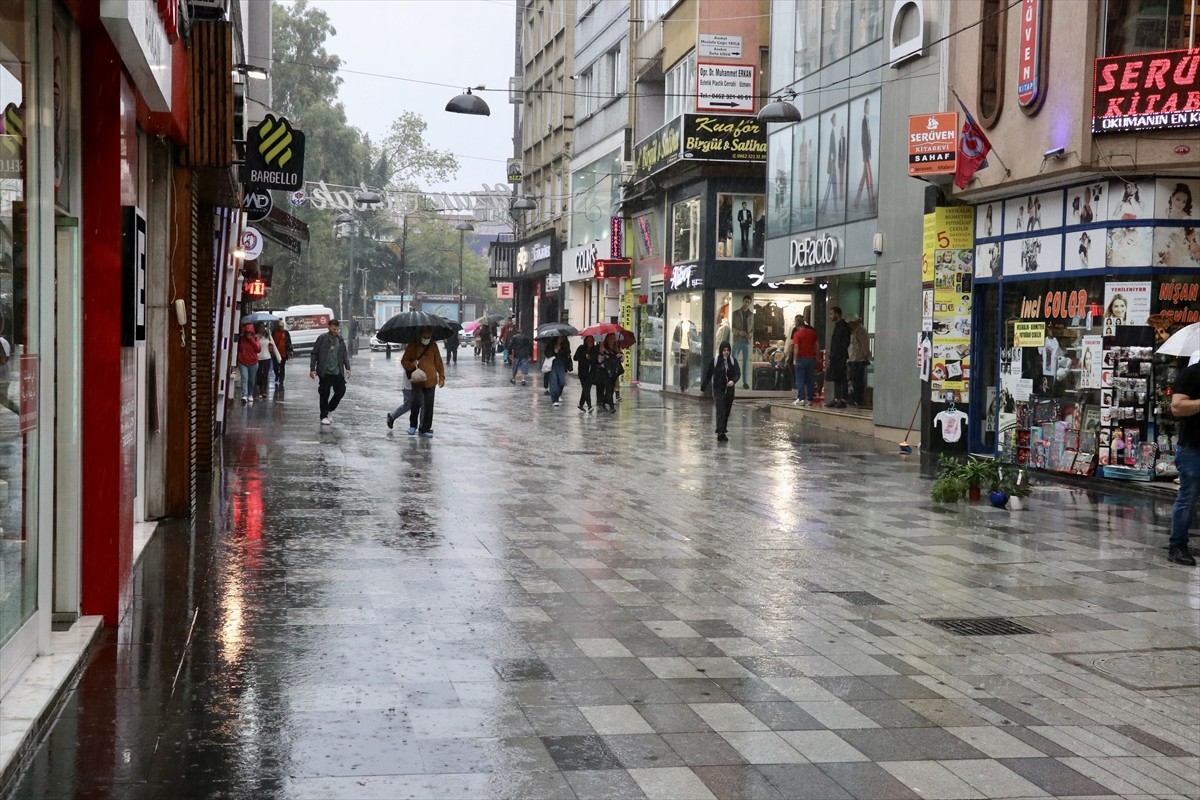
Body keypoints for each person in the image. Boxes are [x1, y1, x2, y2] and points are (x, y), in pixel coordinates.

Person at [1167, 361, 1200, 565]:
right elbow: (1177, 407)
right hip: (1193, 447)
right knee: (1188, 497)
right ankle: (1177, 545)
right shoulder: (1191, 374)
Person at [401, 326, 445, 437]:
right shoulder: (413, 345)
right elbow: (404, 361)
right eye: (424, 336)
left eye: (428, 337)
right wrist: (413, 364)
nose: (426, 338)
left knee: (429, 405)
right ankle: (413, 425)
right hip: (418, 379)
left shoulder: (434, 346)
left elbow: (438, 362)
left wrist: (441, 377)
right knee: (416, 403)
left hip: (431, 380)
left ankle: (425, 429)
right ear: (420, 335)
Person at [308, 318, 351, 425]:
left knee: (341, 390)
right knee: (324, 393)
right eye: (333, 329)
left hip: (337, 371)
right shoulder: (322, 338)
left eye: (337, 329)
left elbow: (344, 354)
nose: (335, 331)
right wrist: (312, 369)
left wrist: (348, 368)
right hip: (325, 371)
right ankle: (323, 416)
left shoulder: (340, 339)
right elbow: (314, 354)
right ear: (329, 327)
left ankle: (329, 409)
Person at [701, 341, 740, 442]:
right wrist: (703, 388)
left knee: (726, 410)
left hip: (730, 390)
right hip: (718, 389)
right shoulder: (715, 361)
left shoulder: (733, 361)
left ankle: (722, 429)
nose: (726, 352)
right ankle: (720, 433)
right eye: (724, 350)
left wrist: (733, 381)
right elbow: (708, 375)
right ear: (721, 351)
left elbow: (737, 373)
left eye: (728, 350)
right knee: (720, 409)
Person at [826, 306, 850, 408]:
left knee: (842, 377)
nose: (830, 316)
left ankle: (843, 399)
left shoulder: (844, 326)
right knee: (836, 377)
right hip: (835, 355)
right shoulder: (838, 326)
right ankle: (836, 398)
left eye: (832, 314)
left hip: (840, 355)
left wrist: (840, 354)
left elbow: (844, 342)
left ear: (837, 314)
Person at [791, 317, 819, 406]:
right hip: (811, 359)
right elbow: (817, 345)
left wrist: (794, 360)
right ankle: (810, 399)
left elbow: (796, 347)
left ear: (796, 325)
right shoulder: (812, 332)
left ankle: (801, 398)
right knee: (810, 379)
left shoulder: (797, 334)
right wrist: (817, 357)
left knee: (800, 379)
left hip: (801, 359)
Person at [847, 314, 871, 407]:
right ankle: (853, 398)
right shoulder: (853, 331)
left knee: (857, 381)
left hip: (858, 360)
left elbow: (864, 345)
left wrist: (866, 356)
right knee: (852, 380)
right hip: (852, 359)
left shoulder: (861, 331)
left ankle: (858, 399)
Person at [854, 97, 874, 211]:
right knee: (869, 177)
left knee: (864, 177)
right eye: (867, 105)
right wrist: (865, 155)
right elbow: (863, 139)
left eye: (869, 105)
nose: (868, 107)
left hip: (868, 153)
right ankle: (871, 201)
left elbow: (869, 138)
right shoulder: (863, 121)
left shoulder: (867, 120)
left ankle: (857, 201)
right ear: (864, 107)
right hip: (865, 154)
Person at [731, 295, 754, 389]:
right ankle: (732, 380)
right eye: (745, 301)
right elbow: (732, 327)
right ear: (742, 301)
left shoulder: (751, 314)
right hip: (737, 340)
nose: (747, 304)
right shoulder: (735, 313)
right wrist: (738, 332)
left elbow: (752, 328)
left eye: (748, 302)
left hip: (746, 341)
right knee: (733, 361)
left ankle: (745, 382)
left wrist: (751, 334)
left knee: (746, 363)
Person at [596, 333, 622, 412]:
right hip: (605, 372)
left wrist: (619, 355)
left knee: (610, 389)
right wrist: (602, 353)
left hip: (614, 372)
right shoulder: (604, 348)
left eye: (613, 338)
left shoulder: (616, 348)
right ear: (607, 339)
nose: (612, 340)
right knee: (608, 389)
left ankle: (603, 401)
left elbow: (622, 359)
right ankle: (611, 407)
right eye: (610, 338)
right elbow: (599, 360)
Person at [254, 322, 282, 399]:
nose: (262, 328)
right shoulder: (255, 336)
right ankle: (260, 390)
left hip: (267, 358)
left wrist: (278, 357)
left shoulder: (268, 336)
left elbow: (273, 345)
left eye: (263, 327)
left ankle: (264, 391)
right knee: (259, 374)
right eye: (260, 327)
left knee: (265, 374)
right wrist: (257, 338)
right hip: (258, 358)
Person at [544, 335, 572, 406]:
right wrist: (554, 351)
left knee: (562, 382)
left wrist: (560, 351)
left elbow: (568, 353)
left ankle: (557, 395)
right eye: (559, 338)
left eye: (562, 338)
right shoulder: (551, 344)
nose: (561, 339)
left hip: (561, 364)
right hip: (553, 364)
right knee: (553, 381)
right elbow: (546, 353)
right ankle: (554, 400)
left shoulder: (565, 344)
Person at [236, 323, 259, 405]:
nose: (248, 334)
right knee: (244, 378)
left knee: (251, 380)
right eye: (247, 332)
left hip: (253, 362)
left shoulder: (255, 339)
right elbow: (238, 348)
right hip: (242, 361)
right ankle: (244, 395)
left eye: (250, 332)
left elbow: (258, 349)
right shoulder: (242, 339)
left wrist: (251, 340)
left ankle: (250, 394)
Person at [574, 335, 597, 412]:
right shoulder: (581, 348)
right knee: (586, 389)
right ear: (586, 341)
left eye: (592, 340)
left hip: (591, 372)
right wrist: (584, 355)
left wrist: (590, 358)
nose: (590, 342)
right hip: (582, 372)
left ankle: (581, 405)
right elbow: (575, 357)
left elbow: (595, 360)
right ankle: (589, 406)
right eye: (589, 340)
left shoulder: (595, 349)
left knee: (586, 389)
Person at [272, 321, 293, 388]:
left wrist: (290, 350)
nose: (280, 328)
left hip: (283, 353)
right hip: (275, 353)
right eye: (279, 326)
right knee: (275, 366)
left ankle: (281, 379)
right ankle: (277, 375)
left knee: (282, 366)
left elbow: (289, 342)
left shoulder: (286, 333)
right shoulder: (274, 332)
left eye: (281, 326)